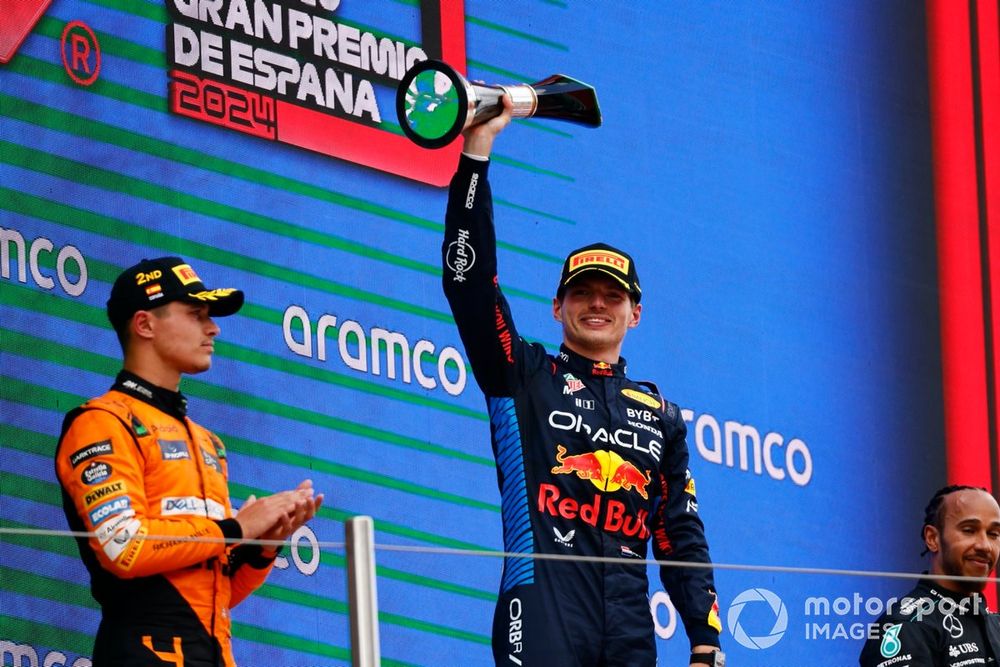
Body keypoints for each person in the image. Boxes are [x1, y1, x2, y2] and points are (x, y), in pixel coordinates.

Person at [442, 98, 723, 666]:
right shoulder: (521, 375)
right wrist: (476, 154)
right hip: (540, 609)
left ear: (634, 313)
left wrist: (705, 637)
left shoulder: (661, 416)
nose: (597, 303)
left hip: (629, 628)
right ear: (557, 307)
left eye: (612, 295)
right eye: (582, 292)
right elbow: (468, 283)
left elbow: (679, 533)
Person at [54, 257, 323, 667]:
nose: (213, 328)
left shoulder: (207, 442)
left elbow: (215, 590)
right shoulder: (101, 423)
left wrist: (260, 548)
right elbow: (124, 547)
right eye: (197, 315)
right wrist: (234, 528)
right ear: (145, 325)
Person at [859, 485, 1000, 666]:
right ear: (932, 538)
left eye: (993, 534)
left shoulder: (995, 623)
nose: (985, 545)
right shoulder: (906, 626)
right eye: (969, 530)